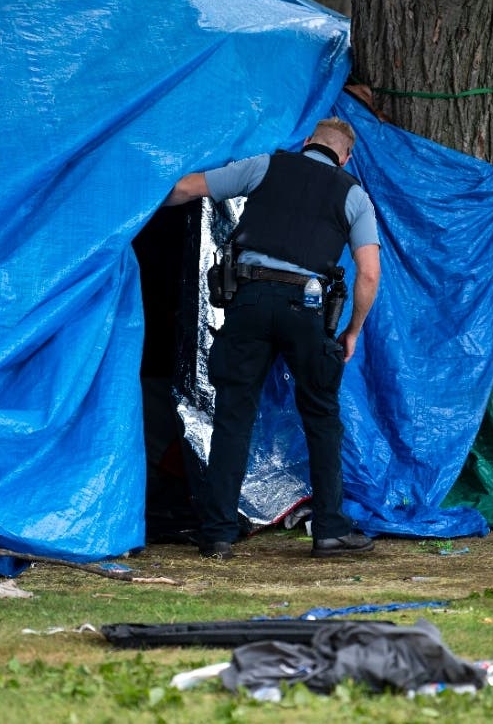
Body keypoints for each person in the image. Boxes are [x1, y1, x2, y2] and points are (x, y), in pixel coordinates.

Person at [162, 117, 381, 559]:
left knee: (233, 416)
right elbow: (369, 274)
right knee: (321, 418)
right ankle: (330, 531)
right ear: (347, 156)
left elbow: (187, 188)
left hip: (250, 300)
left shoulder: (266, 166)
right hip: (307, 308)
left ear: (306, 143)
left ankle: (218, 534)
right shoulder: (354, 195)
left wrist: (126, 202)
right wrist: (353, 331)